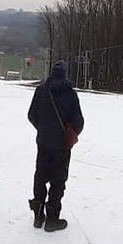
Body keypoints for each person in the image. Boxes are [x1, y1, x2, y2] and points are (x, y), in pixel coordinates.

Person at [26, 60, 85, 232]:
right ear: (65, 75)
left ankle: (38, 216)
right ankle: (52, 219)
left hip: (43, 142)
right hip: (61, 146)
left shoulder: (41, 91)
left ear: (52, 73)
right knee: (58, 181)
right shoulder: (71, 95)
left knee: (40, 177)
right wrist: (69, 135)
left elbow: (31, 115)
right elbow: (79, 122)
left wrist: (43, 129)